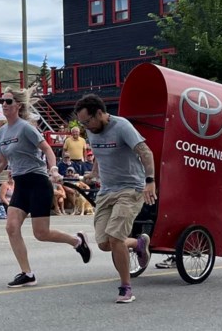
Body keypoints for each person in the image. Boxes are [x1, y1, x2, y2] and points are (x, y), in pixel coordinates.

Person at [0, 87, 91, 288]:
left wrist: (53, 169)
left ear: (18, 106)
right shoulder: (2, 131)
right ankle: (27, 273)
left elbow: (47, 149)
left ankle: (77, 241)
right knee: (11, 227)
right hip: (21, 184)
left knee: (41, 233)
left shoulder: (26, 128)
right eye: (2, 101)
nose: (4, 104)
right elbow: (2, 162)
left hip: (38, 181)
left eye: (8, 101)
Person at [74, 93, 155, 303]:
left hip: (131, 188)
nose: (86, 127)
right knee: (103, 243)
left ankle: (126, 287)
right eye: (82, 123)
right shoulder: (92, 130)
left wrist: (150, 181)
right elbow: (100, 155)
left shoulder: (122, 126)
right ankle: (138, 244)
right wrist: (93, 172)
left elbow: (146, 153)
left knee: (116, 238)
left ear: (100, 113)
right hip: (106, 190)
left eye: (88, 121)